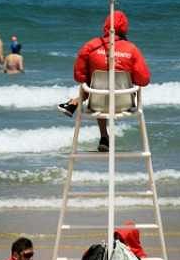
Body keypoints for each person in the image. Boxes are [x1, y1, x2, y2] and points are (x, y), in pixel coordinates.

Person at [58, 11, 152, 153]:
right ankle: (78, 106)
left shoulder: (90, 46)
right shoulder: (132, 49)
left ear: (106, 25)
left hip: (97, 102)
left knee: (94, 84)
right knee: (105, 85)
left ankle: (78, 107)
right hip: (125, 104)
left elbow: (79, 77)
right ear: (125, 27)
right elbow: (144, 80)